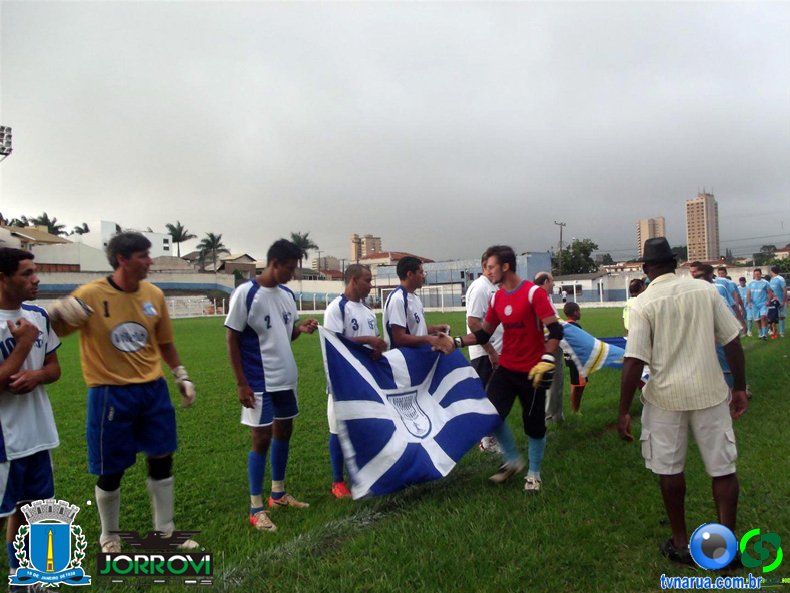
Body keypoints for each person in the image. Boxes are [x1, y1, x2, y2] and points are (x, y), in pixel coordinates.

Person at [50, 232, 198, 553]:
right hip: (110, 393)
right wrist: (58, 314)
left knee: (162, 456)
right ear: (122, 259)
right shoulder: (90, 294)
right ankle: (110, 535)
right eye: (143, 256)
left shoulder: (153, 294)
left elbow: (165, 341)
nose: (150, 262)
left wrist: (181, 375)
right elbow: (56, 327)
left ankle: (165, 531)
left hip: (153, 389)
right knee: (111, 468)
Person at [618, 238, 747, 566]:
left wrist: (622, 412)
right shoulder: (706, 291)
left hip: (664, 398)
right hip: (711, 392)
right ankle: (726, 548)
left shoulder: (643, 303)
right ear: (674, 264)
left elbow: (633, 361)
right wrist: (740, 389)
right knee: (723, 469)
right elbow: (732, 340)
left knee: (670, 469)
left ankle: (680, 542)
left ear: (646, 269)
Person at [438, 245, 563, 493]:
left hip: (533, 370)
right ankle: (513, 460)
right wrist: (456, 342)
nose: (487, 271)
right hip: (506, 368)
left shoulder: (533, 293)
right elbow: (484, 332)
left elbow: (556, 330)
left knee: (534, 424)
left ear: (505, 267)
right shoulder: (496, 297)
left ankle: (534, 474)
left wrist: (547, 358)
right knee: (489, 414)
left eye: (491, 266)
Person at [226, 239, 318, 534]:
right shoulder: (246, 293)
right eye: (289, 269)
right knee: (261, 438)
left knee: (284, 431)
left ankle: (277, 494)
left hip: (285, 379)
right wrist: (241, 383)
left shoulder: (288, 295)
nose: (292, 275)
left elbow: (285, 333)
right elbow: (232, 340)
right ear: (274, 264)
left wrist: (300, 329)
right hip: (258, 381)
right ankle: (256, 508)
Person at [0, 249, 62, 586]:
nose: (35, 279)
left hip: (37, 432)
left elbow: (54, 369)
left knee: (30, 510)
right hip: (3, 439)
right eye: (26, 273)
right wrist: (23, 344)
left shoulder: (38, 315)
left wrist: (35, 376)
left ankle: (22, 575)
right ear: (3, 278)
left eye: (35, 271)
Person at [323, 264, 387, 498]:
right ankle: (337, 481)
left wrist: (377, 346)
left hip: (366, 378)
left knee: (365, 426)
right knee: (338, 429)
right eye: (367, 280)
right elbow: (335, 344)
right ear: (353, 281)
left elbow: (374, 338)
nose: (371, 285)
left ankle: (365, 474)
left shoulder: (368, 310)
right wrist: (369, 339)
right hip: (342, 380)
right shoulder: (336, 309)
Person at [464, 249, 504, 453]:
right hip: (485, 354)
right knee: (489, 397)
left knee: (496, 396)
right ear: (485, 267)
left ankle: (490, 437)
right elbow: (473, 322)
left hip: (495, 351)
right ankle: (485, 440)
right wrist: (490, 350)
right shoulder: (481, 288)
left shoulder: (492, 287)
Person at [382, 256, 448, 349]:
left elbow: (416, 330)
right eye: (420, 272)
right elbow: (399, 338)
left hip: (417, 355)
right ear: (410, 274)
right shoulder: (398, 299)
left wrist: (436, 329)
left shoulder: (414, 297)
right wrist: (428, 339)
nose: (423, 275)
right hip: (404, 358)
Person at [534, 272, 564, 424]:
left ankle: (557, 415)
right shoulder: (538, 298)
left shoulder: (546, 298)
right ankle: (548, 417)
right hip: (547, 346)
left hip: (554, 344)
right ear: (546, 281)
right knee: (550, 381)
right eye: (552, 281)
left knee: (557, 380)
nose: (554, 284)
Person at [562, 302, 587, 413]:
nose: (580, 313)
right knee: (579, 386)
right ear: (575, 312)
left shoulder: (564, 325)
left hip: (569, 358)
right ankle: (575, 410)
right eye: (579, 311)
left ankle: (575, 409)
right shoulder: (575, 327)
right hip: (577, 360)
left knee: (574, 383)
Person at [715, 266, 747, 333]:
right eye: (719, 274)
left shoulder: (731, 283)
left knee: (734, 322)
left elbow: (737, 295)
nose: (721, 275)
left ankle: (742, 327)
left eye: (722, 273)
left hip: (731, 305)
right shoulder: (716, 283)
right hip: (721, 306)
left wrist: (741, 307)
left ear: (726, 274)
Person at [746, 268, 773, 341]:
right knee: (757, 320)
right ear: (754, 275)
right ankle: (760, 334)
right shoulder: (750, 283)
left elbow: (770, 292)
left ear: (761, 274)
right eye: (755, 274)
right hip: (754, 305)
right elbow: (748, 293)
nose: (757, 275)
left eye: (758, 274)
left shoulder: (765, 282)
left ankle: (765, 335)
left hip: (763, 304)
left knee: (763, 318)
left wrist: (769, 301)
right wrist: (749, 303)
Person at [768, 265, 786, 337]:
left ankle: (781, 332)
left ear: (772, 271)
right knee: (773, 316)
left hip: (780, 301)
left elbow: (784, 290)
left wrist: (784, 301)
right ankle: (773, 331)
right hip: (773, 301)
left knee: (781, 316)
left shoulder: (780, 279)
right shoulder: (772, 279)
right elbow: (770, 291)